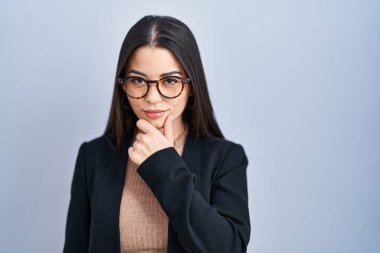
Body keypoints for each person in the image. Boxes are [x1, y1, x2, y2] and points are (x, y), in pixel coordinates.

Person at [63, 15, 251, 253]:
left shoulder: (227, 158)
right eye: (138, 80)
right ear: (123, 85)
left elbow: (229, 248)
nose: (152, 97)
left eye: (170, 80)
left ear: (192, 86)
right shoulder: (94, 156)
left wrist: (164, 164)